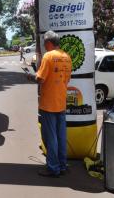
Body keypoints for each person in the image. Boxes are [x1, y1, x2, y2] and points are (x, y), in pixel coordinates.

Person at [31, 30, 72, 177]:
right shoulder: (67, 57)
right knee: (61, 135)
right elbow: (66, 80)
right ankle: (62, 165)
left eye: (44, 43)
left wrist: (32, 76)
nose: (44, 45)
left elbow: (40, 79)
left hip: (49, 103)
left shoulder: (48, 56)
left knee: (51, 136)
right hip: (61, 102)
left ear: (48, 43)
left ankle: (53, 168)